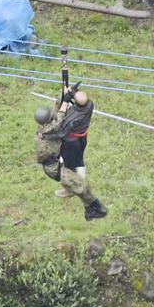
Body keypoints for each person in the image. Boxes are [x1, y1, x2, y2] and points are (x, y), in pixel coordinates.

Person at [41, 87, 107, 220]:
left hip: (71, 143)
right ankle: (81, 182)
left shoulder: (71, 118)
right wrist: (71, 93)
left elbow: (60, 130)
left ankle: (72, 188)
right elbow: (80, 98)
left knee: (69, 167)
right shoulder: (89, 105)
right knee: (79, 160)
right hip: (82, 138)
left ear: (74, 103)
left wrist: (47, 135)